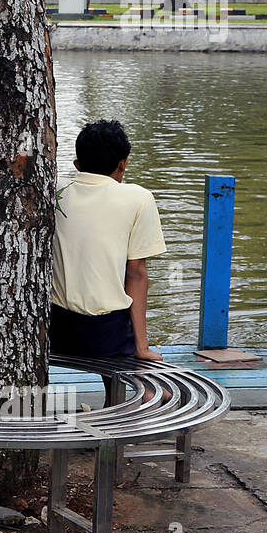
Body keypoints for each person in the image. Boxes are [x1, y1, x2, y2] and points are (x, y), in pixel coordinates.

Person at [51, 119, 166, 361]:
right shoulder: (139, 198)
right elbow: (136, 274)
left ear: (77, 164)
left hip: (55, 328)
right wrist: (142, 347)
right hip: (107, 334)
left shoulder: (54, 190)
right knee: (154, 389)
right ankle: (133, 385)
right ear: (123, 164)